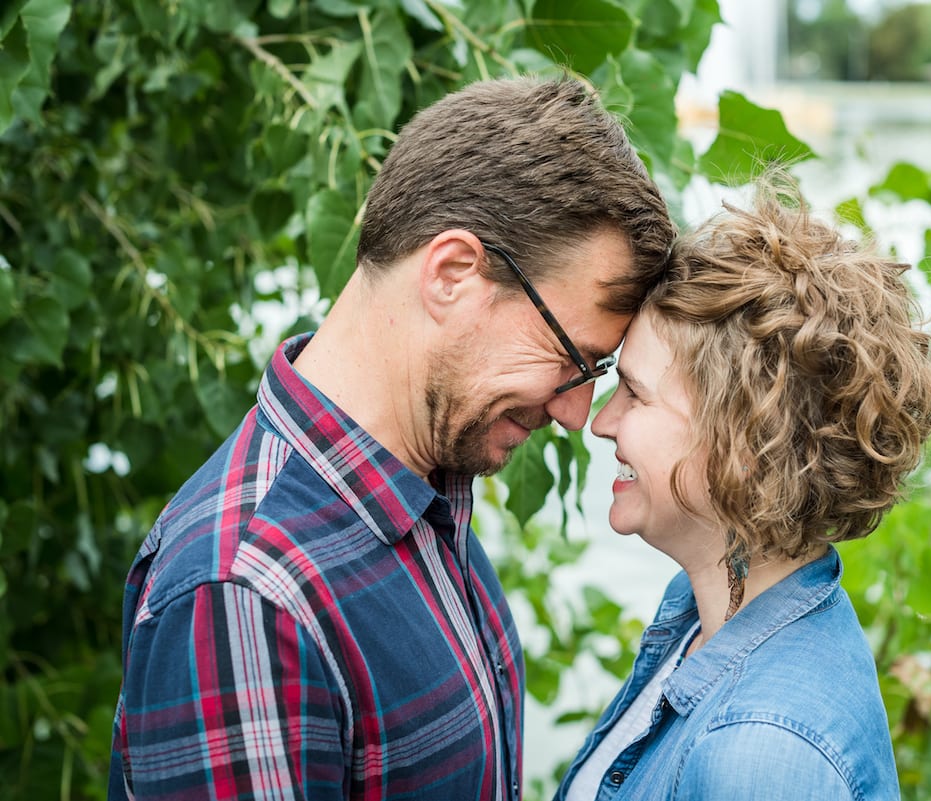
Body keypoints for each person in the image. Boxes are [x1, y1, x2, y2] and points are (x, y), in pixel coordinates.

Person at [108, 76, 674, 801]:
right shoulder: (246, 596)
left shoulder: (428, 487)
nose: (575, 411)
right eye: (571, 358)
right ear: (452, 273)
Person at [555, 173, 931, 801]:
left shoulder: (762, 757)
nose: (600, 422)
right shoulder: (704, 616)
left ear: (743, 445)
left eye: (635, 393)